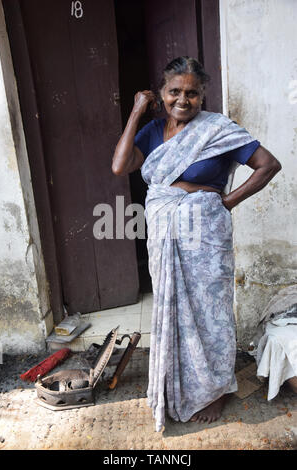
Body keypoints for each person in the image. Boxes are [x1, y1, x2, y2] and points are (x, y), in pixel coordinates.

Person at [112, 56, 281, 432]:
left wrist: (229, 200)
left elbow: (268, 165)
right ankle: (178, 380)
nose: (182, 100)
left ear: (203, 96)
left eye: (192, 93)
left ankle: (216, 389)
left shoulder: (218, 130)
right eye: (174, 91)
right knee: (172, 306)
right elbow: (120, 166)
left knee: (210, 311)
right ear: (161, 93)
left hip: (206, 233)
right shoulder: (153, 130)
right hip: (163, 231)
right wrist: (137, 113)